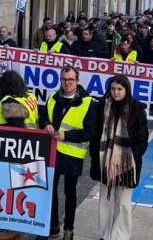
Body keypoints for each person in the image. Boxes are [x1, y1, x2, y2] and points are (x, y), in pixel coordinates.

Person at [37, 66, 97, 240]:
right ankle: (53, 226)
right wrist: (45, 123)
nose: (67, 83)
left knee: (70, 193)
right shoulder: (53, 98)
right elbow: (42, 116)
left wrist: (67, 135)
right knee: (51, 192)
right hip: (52, 152)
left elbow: (91, 131)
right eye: (64, 79)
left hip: (72, 155)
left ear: (77, 81)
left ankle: (69, 229)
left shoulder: (88, 102)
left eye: (71, 79)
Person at [90, 74, 148, 240]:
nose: (116, 93)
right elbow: (95, 134)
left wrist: (131, 158)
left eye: (119, 89)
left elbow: (142, 139)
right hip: (104, 163)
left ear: (126, 89)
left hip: (127, 164)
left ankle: (120, 236)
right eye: (113, 89)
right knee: (105, 202)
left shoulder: (136, 108)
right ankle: (104, 235)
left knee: (123, 204)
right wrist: (96, 154)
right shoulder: (102, 106)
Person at [0, 70, 39, 240]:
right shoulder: (29, 97)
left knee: (12, 191)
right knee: (22, 191)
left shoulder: (10, 102)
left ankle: (12, 227)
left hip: (14, 153)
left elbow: (17, 129)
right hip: (32, 149)